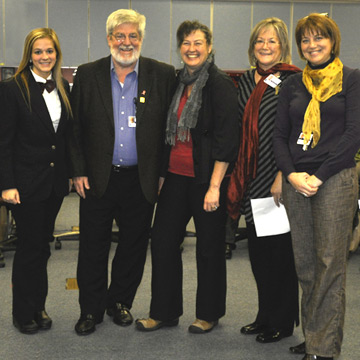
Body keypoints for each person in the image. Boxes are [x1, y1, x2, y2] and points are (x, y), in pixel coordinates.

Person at [68, 9, 176, 335]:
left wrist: (161, 173)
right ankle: (90, 309)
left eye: (133, 36)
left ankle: (118, 302)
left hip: (140, 179)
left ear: (141, 39)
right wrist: (78, 171)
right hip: (98, 177)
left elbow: (168, 131)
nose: (126, 42)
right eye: (120, 36)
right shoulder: (87, 75)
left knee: (133, 245)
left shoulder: (163, 74)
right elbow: (75, 130)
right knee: (93, 246)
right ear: (109, 39)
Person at [135, 20, 239, 334]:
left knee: (209, 248)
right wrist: (162, 174)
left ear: (209, 47)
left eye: (198, 43)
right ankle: (164, 312)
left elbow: (226, 138)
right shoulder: (176, 81)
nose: (191, 49)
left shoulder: (219, 84)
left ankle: (208, 313)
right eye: (186, 43)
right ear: (180, 48)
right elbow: (165, 133)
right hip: (176, 178)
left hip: (207, 179)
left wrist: (215, 187)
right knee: (163, 242)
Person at [273, 13, 360, 360]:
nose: (312, 45)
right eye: (305, 40)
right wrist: (291, 174)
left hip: (335, 178)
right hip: (297, 179)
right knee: (306, 264)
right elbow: (279, 136)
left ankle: (323, 349)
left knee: (329, 264)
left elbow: (354, 135)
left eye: (318, 38)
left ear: (332, 40)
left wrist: (319, 176)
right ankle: (314, 335)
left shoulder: (351, 80)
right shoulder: (293, 84)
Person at [226, 17, 300, 343]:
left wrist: (283, 175)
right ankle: (264, 314)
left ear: (282, 45)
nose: (265, 46)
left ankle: (282, 322)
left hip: (274, 179)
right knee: (258, 254)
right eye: (260, 41)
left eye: (271, 41)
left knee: (278, 254)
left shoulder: (292, 81)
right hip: (248, 178)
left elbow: (297, 133)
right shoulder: (245, 80)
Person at [0, 28, 72, 334]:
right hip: (25, 184)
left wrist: (68, 175)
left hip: (54, 184)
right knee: (29, 248)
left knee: (41, 247)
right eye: (39, 51)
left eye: (50, 51)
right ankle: (22, 311)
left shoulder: (63, 86)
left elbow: (64, 139)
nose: (45, 57)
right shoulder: (13, 88)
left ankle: (39, 305)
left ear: (57, 54)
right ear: (29, 55)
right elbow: (3, 141)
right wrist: (6, 183)